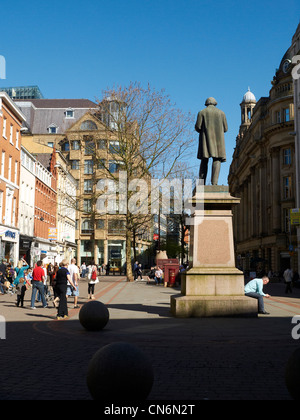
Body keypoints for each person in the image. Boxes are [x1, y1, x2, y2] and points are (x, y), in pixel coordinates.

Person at [195, 97, 228, 185]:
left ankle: (201, 184)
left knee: (204, 160)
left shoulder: (202, 112)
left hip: (205, 140)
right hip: (218, 142)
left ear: (206, 103)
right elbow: (226, 128)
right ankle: (214, 183)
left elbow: (198, 127)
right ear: (215, 103)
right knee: (217, 159)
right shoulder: (221, 113)